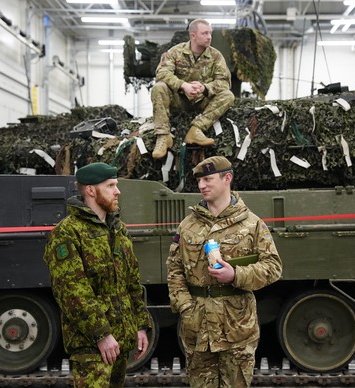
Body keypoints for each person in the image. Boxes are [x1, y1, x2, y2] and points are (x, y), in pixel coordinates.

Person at [166, 156, 283, 387]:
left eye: (208, 179)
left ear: (227, 178)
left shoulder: (252, 224)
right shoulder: (188, 225)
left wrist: (236, 276)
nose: (201, 186)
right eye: (199, 181)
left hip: (236, 329)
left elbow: (273, 267)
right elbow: (174, 269)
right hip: (198, 328)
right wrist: (185, 307)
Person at [43, 162, 152, 387]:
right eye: (110, 185)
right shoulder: (68, 232)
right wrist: (101, 335)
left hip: (120, 340)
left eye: (116, 185)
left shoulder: (118, 229)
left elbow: (132, 282)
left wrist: (141, 325)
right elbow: (73, 292)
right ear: (91, 190)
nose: (117, 191)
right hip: (91, 346)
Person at [151, 19, 235, 159]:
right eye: (205, 33)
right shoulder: (175, 52)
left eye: (210, 33)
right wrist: (183, 85)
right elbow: (161, 73)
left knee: (228, 95)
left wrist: (204, 88)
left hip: (202, 102)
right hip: (179, 100)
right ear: (193, 35)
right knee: (159, 87)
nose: (209, 37)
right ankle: (163, 136)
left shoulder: (215, 56)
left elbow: (224, 82)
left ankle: (196, 129)